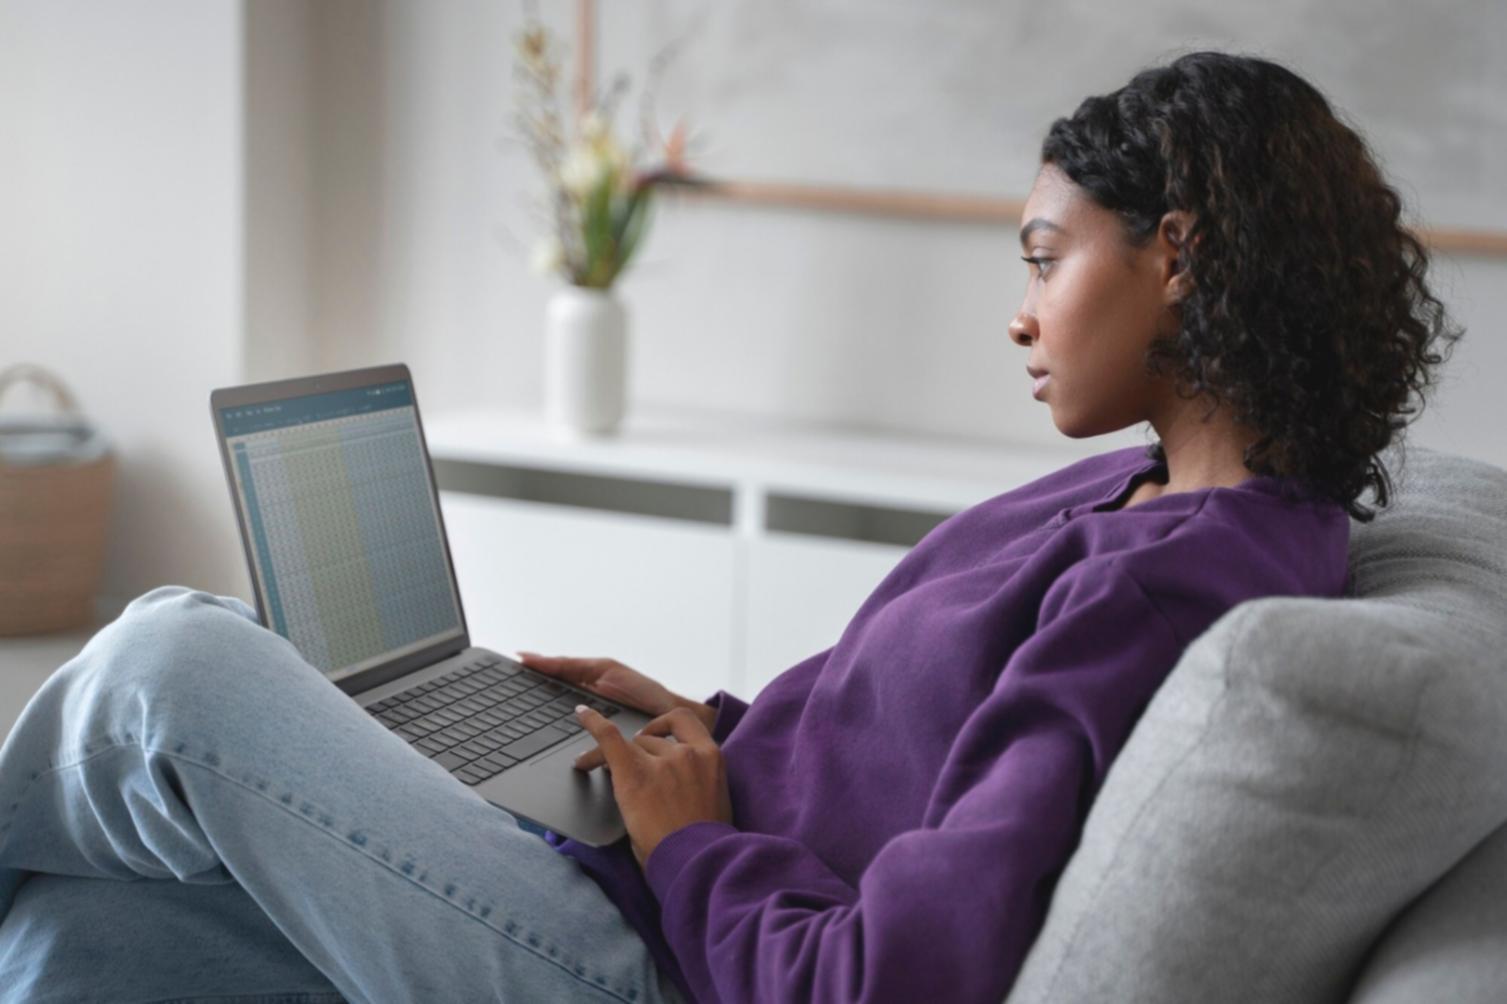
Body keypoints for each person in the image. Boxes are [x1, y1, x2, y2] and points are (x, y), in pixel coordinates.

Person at [0, 49, 1462, 1004]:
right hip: (661, 873)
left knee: (177, 661)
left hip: (662, 963)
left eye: (1045, 258)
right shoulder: (1140, 493)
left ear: (1180, 256)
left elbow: (888, 980)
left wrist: (695, 846)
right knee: (73, 944)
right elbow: (899, 755)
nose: (1022, 312)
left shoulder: (1176, 584)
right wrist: (708, 731)